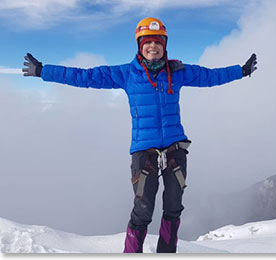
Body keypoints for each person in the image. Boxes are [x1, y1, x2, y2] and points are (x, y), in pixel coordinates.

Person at [22, 17, 257, 253]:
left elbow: (210, 76)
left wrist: (242, 71)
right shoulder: (127, 74)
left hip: (176, 150)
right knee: (143, 210)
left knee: (174, 207)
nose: (153, 47)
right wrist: (43, 71)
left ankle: (167, 253)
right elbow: (85, 76)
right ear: (139, 45)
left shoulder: (177, 72)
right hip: (144, 153)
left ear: (164, 45)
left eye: (158, 42)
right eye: (147, 42)